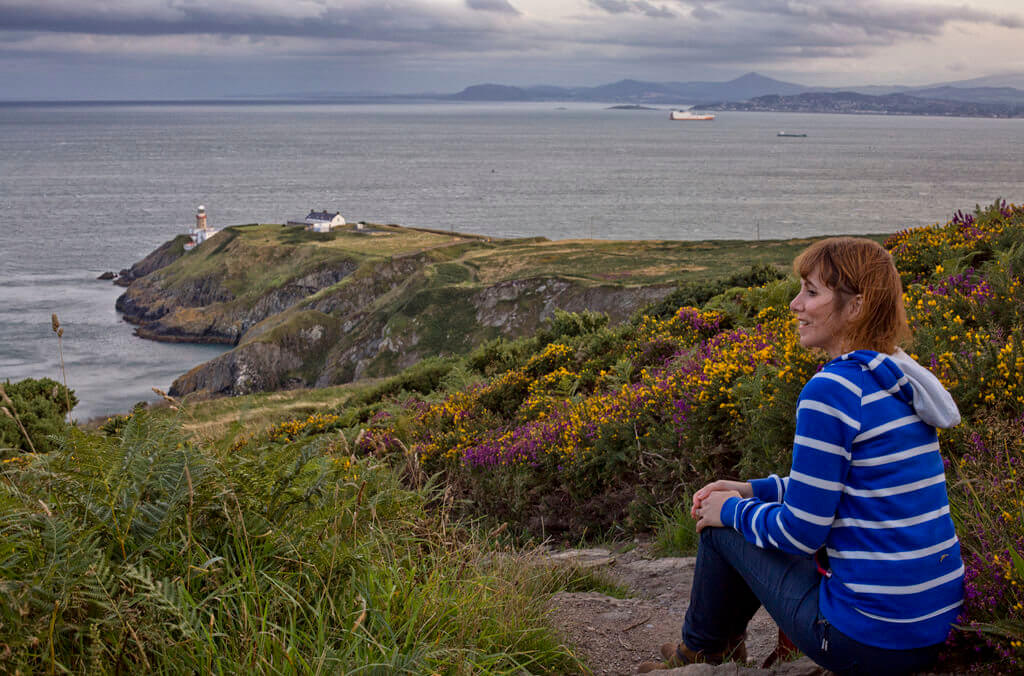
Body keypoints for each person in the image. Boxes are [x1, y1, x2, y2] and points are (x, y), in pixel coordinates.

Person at [639, 237, 964, 675]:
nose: (795, 304)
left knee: (719, 528)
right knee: (736, 510)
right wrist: (754, 489)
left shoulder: (831, 391)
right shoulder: (899, 380)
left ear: (855, 307)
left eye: (811, 292)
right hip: (932, 631)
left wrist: (731, 511)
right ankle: (708, 647)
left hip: (865, 641)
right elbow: (852, 488)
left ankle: (700, 654)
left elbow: (802, 533)